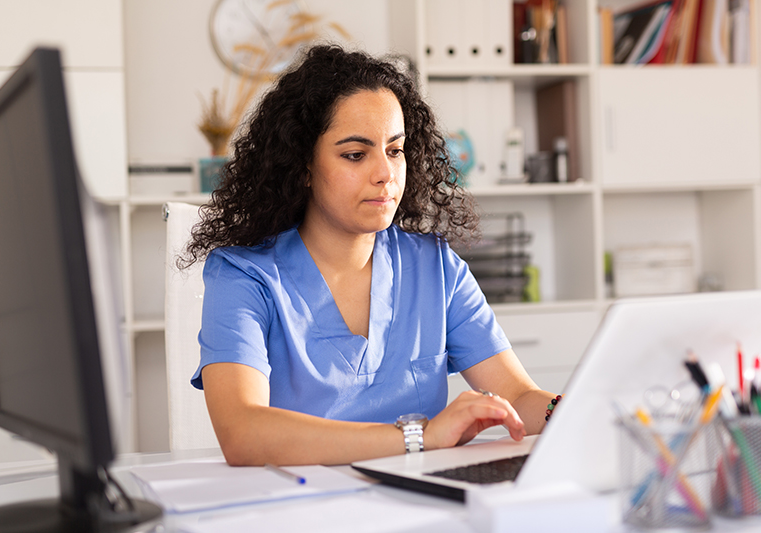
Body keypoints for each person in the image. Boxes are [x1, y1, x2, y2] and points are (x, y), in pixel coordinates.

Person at [183, 44, 560, 466]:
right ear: (302, 166)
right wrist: (421, 436)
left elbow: (520, 397)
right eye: (355, 155)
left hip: (417, 502)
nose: (385, 173)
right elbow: (243, 434)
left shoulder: (435, 267)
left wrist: (570, 408)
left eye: (394, 150)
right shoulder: (243, 276)